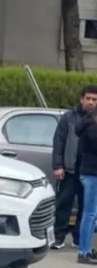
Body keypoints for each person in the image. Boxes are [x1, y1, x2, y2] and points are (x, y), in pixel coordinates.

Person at [51, 85, 97, 249]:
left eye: (94, 99)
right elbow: (59, 141)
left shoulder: (95, 119)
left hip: (88, 169)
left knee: (86, 206)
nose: (91, 102)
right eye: (88, 99)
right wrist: (57, 165)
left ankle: (79, 237)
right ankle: (58, 236)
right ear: (81, 99)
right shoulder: (69, 117)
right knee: (64, 203)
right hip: (69, 168)